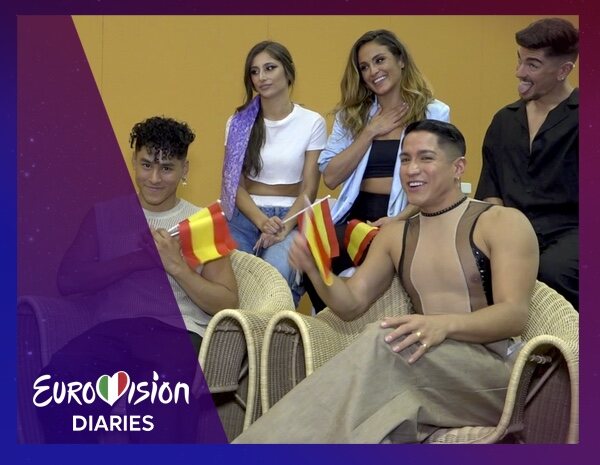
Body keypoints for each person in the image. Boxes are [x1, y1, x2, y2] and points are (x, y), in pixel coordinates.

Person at [234, 120, 539, 443]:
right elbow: (350, 304)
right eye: (405, 159)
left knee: (384, 344)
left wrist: (443, 325)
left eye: (425, 158)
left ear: (458, 167)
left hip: (493, 376)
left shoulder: (501, 222)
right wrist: (316, 271)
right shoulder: (396, 234)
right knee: (369, 411)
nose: (412, 169)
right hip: (421, 367)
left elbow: (513, 314)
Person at [38, 116, 237, 443]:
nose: (154, 178)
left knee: (165, 401)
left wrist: (177, 266)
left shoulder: (201, 223)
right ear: (133, 161)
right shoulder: (104, 215)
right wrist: (136, 260)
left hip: (177, 333)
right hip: (112, 331)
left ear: (184, 169)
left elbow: (226, 302)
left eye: (167, 168)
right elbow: (69, 280)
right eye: (146, 165)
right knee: (59, 383)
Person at [305, 29, 450, 312]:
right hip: (357, 216)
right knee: (312, 249)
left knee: (381, 250)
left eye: (380, 60)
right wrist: (370, 131)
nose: (373, 71)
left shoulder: (434, 112)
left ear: (401, 60)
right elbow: (331, 176)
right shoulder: (352, 116)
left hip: (408, 215)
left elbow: (439, 182)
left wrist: (397, 220)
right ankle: (330, 325)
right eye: (364, 67)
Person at [475, 18, 579, 309]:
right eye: (519, 60)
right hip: (512, 232)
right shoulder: (503, 120)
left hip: (573, 233)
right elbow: (490, 192)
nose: (519, 72)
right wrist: (502, 239)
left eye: (532, 64)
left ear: (563, 70)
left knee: (550, 272)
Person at [220, 41, 327, 306]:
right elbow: (233, 186)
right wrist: (262, 222)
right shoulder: (238, 122)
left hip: (292, 217)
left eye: (270, 68)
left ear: (288, 71)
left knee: (276, 276)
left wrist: (283, 226)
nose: (262, 77)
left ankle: (274, 333)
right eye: (254, 71)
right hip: (246, 215)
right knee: (233, 280)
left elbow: (309, 190)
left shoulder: (312, 122)